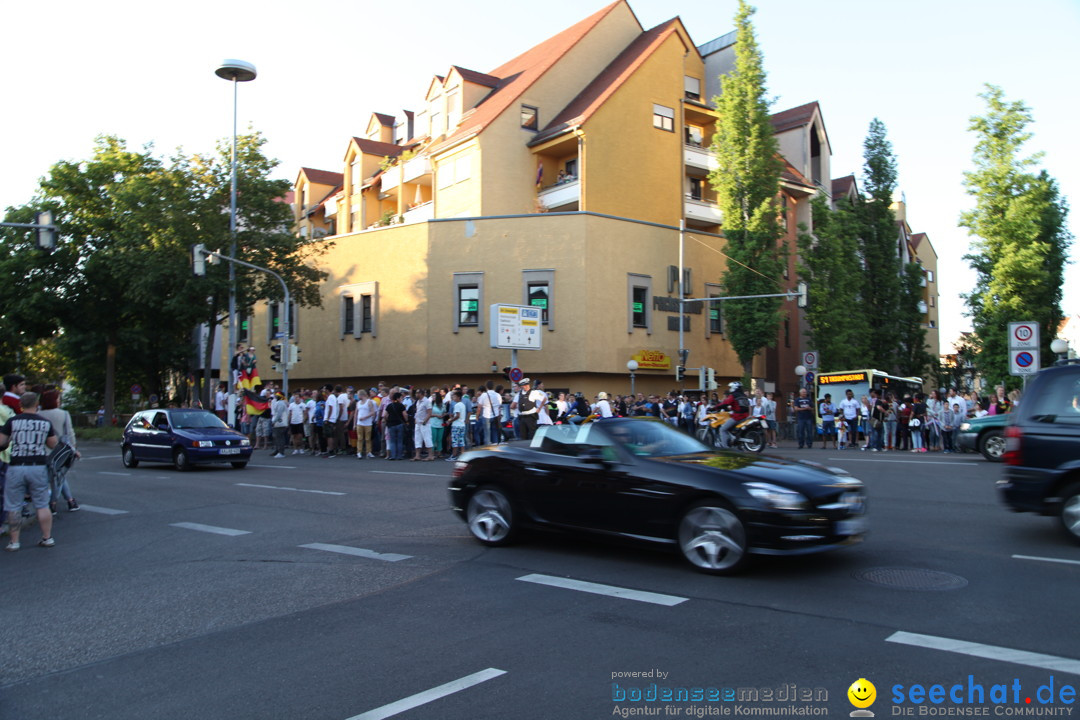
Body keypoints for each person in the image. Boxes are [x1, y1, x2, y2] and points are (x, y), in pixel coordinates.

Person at [1, 391, 59, 550]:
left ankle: (14, 542)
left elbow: (2, 443)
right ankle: (47, 537)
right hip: (38, 466)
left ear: (21, 405)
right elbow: (53, 444)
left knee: (14, 505)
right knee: (42, 503)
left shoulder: (12, 422)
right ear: (36, 404)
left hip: (16, 466)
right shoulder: (45, 422)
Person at [38, 389, 81, 512]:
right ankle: (54, 503)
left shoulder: (39, 414)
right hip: (59, 451)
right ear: (55, 401)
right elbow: (69, 433)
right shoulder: (63, 414)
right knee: (59, 476)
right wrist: (74, 448)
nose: (59, 401)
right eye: (58, 399)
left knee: (54, 477)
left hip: (42, 451)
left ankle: (70, 501)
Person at [717, 381, 749, 449]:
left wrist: (714, 407)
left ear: (734, 388)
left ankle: (724, 447)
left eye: (730, 387)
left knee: (722, 429)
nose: (730, 388)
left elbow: (725, 403)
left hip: (737, 417)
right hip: (745, 416)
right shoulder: (744, 395)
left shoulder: (733, 395)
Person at [384, 391, 407, 460]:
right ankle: (399, 456)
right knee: (399, 440)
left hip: (391, 424)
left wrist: (387, 420)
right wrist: (406, 421)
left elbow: (385, 415)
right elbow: (405, 414)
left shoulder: (389, 405)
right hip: (399, 424)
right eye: (401, 398)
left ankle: (393, 456)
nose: (402, 399)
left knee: (392, 441)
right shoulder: (401, 405)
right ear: (398, 398)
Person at [412, 389, 434, 461]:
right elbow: (417, 412)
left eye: (417, 393)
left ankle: (430, 455)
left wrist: (425, 421)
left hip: (425, 423)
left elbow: (429, 413)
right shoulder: (418, 402)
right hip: (418, 423)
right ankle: (417, 455)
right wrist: (416, 419)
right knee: (417, 439)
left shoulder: (427, 401)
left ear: (421, 394)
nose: (416, 394)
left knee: (427, 438)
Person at [354, 390, 376, 458]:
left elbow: (373, 412)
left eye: (358, 395)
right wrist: (354, 424)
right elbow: (356, 414)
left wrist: (365, 417)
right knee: (360, 438)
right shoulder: (358, 403)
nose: (357, 397)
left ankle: (368, 451)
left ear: (361, 395)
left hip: (368, 423)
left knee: (367, 438)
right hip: (359, 423)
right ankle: (359, 451)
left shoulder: (369, 402)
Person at [446, 390, 467, 460]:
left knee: (455, 441)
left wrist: (450, 421)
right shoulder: (463, 404)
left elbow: (457, 415)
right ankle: (462, 455)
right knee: (461, 440)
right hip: (462, 425)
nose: (453, 397)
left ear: (458, 397)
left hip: (456, 425)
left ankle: (454, 455)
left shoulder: (457, 405)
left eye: (454, 396)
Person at [271, 392, 288, 458]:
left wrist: (274, 421)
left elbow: (279, 414)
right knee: (278, 437)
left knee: (280, 438)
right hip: (279, 423)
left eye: (277, 396)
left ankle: (281, 452)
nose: (276, 397)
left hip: (280, 423)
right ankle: (279, 451)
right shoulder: (280, 403)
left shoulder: (281, 403)